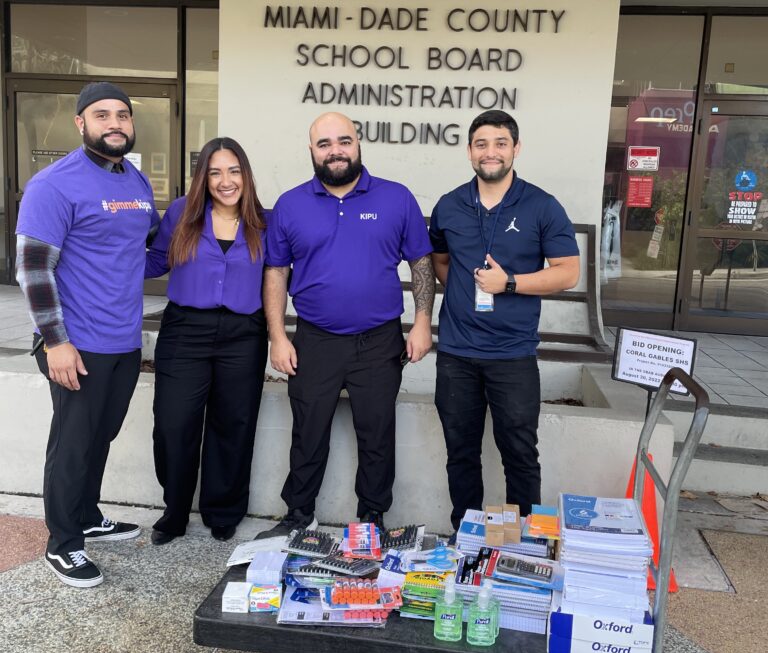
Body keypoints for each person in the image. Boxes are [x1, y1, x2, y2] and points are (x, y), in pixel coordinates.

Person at [259, 111, 435, 537]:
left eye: (343, 141)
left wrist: (423, 322)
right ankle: (299, 515)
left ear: (358, 144)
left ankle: (372, 519)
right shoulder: (291, 204)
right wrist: (278, 336)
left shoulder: (397, 198)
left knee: (376, 433)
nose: (335, 151)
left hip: (379, 340)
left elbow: (421, 262)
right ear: (312, 151)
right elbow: (276, 272)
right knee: (308, 430)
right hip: (316, 339)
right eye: (324, 144)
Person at [15, 81, 159, 588]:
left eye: (122, 114)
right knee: (73, 442)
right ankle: (63, 542)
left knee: (101, 435)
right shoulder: (53, 185)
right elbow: (33, 270)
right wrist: (55, 341)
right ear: (81, 123)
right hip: (75, 342)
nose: (115, 123)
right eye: (102, 115)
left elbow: (145, 249)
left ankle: (88, 514)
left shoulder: (135, 182)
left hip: (122, 339)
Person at [429, 110, 580, 537]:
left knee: (518, 452)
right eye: (481, 144)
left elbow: (568, 271)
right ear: (469, 151)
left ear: (516, 148)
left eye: (499, 143)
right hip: (457, 353)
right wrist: (465, 290)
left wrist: (509, 283)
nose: (490, 152)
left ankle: (520, 541)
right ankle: (467, 534)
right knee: (460, 451)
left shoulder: (542, 206)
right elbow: (441, 260)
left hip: (512, 354)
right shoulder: (449, 205)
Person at [145, 137, 269, 544]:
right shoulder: (182, 212)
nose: (225, 180)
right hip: (185, 331)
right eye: (215, 172)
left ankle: (223, 510)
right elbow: (155, 259)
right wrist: (100, 255)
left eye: (233, 170)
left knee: (233, 423)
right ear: (203, 178)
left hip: (243, 334)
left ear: (245, 175)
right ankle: (175, 511)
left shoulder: (263, 222)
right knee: (173, 424)